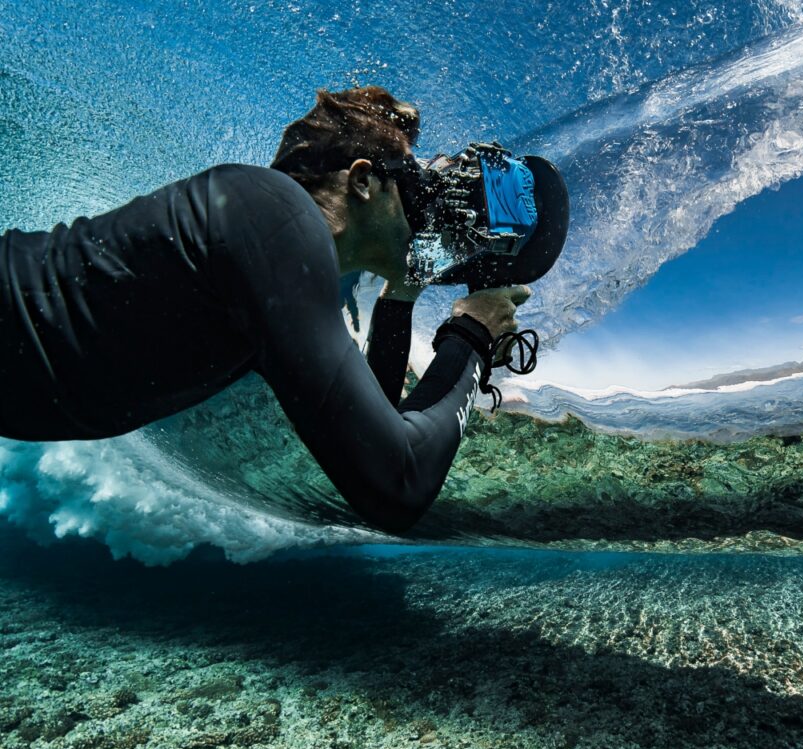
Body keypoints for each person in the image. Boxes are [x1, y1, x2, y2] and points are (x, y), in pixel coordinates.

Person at [0, 85, 531, 534]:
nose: (421, 212)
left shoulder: (279, 259)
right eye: (410, 186)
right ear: (363, 180)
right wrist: (472, 334)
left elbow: (378, 425)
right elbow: (399, 483)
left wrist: (402, 295)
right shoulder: (279, 219)